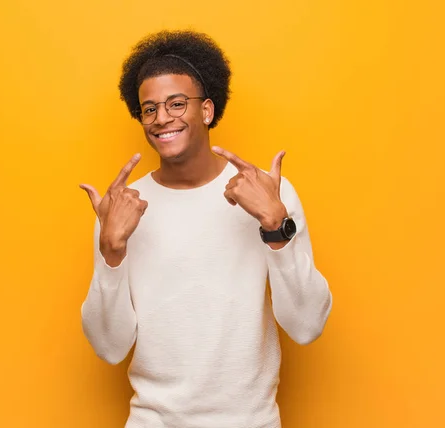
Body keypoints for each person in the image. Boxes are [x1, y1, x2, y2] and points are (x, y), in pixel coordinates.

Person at [79, 30, 333, 428]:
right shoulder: (123, 209)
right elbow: (109, 348)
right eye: (149, 109)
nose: (162, 118)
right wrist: (111, 249)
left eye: (176, 103)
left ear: (207, 110)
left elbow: (307, 326)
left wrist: (275, 228)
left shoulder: (267, 194)